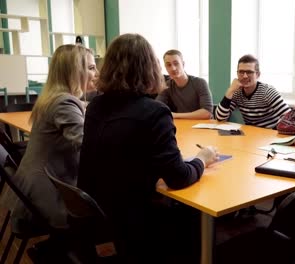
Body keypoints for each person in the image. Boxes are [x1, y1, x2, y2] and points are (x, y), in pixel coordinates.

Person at [78, 34, 218, 263]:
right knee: (192, 213)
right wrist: (202, 159)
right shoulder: (153, 112)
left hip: (98, 207)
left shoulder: (96, 106)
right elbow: (179, 177)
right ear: (150, 67)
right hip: (133, 217)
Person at [10, 44, 96, 262]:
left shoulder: (54, 97)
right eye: (92, 68)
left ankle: (57, 249)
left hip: (32, 186)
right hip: (47, 194)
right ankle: (69, 252)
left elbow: (82, 110)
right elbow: (87, 148)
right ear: (75, 71)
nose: (97, 73)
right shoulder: (64, 102)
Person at [215, 54, 291, 128]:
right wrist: (230, 90)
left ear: (257, 75)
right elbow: (220, 118)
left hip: (270, 135)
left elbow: (289, 116)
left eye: (249, 72)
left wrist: (276, 130)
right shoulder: (237, 92)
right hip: (251, 135)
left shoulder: (267, 91)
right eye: (241, 72)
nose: (245, 76)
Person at [156, 49, 213, 119]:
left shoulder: (200, 83)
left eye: (176, 63)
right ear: (165, 67)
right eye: (168, 65)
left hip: (201, 127)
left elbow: (207, 113)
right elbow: (156, 108)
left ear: (183, 64)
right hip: (181, 126)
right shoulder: (166, 86)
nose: (173, 68)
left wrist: (175, 115)